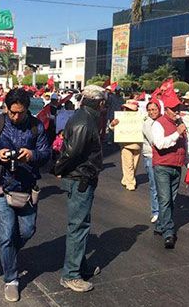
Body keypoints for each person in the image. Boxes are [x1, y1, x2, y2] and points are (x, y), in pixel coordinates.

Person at [0, 88, 50, 302]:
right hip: (1, 186)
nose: (16, 117)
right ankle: (11, 278)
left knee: (28, 230)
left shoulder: (37, 126)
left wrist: (32, 155)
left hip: (27, 187)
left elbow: (46, 154)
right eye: (12, 112)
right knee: (6, 235)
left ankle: (7, 253)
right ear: (6, 108)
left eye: (21, 112)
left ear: (27, 109)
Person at [54, 85, 105, 293]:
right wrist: (58, 168)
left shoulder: (85, 117)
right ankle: (71, 275)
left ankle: (79, 267)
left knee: (82, 225)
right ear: (99, 103)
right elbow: (72, 152)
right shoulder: (84, 121)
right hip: (80, 178)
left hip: (82, 177)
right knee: (78, 227)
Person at [151, 94, 187, 249]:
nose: (177, 111)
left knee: (170, 200)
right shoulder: (159, 124)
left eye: (178, 108)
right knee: (165, 200)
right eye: (174, 109)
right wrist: (177, 133)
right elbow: (160, 144)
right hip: (163, 167)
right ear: (167, 110)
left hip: (176, 166)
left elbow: (184, 144)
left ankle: (160, 225)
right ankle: (168, 233)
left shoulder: (180, 123)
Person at [109, 100, 142, 191]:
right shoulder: (120, 118)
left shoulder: (140, 118)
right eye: (126, 108)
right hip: (125, 145)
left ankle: (126, 179)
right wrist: (112, 125)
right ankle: (131, 183)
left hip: (138, 144)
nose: (127, 110)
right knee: (128, 165)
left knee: (134, 165)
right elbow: (114, 129)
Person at [142, 101, 161, 223]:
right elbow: (155, 141)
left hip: (162, 157)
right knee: (154, 185)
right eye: (149, 110)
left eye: (154, 109)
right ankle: (156, 211)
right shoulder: (146, 124)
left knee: (163, 186)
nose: (152, 112)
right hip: (150, 156)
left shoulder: (163, 121)